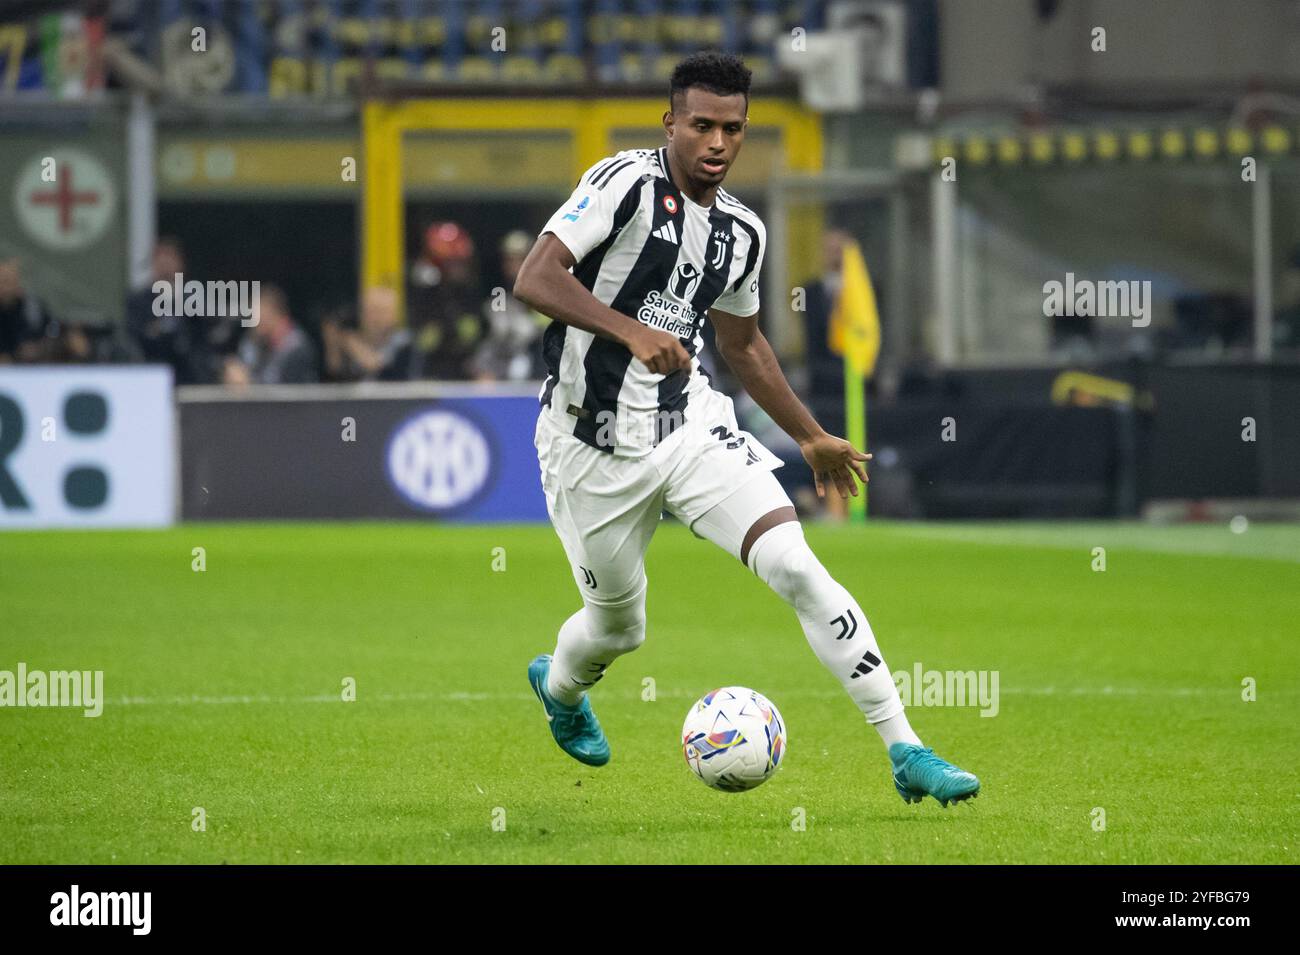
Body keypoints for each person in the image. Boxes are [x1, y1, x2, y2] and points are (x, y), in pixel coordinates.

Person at [514, 51, 979, 808]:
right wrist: (628, 330)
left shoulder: (742, 233)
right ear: (671, 122)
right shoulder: (620, 184)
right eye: (701, 124)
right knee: (617, 630)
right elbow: (536, 276)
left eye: (733, 128)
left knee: (796, 565)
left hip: (687, 423)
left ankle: (908, 750)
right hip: (587, 446)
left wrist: (810, 434)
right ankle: (560, 687)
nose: (718, 142)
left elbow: (743, 345)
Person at [470, 230, 547, 381]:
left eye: (520, 259)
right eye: (509, 260)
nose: (514, 266)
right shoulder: (499, 295)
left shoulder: (549, 293)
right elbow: (497, 341)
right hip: (506, 368)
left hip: (542, 369)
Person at [222, 284, 318, 386]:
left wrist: (248, 383)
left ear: (271, 312)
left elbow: (288, 396)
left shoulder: (297, 348)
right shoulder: (257, 342)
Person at [322, 286, 415, 382]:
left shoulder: (404, 341)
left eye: (381, 311)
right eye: (370, 311)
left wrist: (349, 341)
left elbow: (377, 366)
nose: (376, 318)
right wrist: (333, 346)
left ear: (395, 315)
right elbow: (335, 373)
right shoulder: (357, 339)